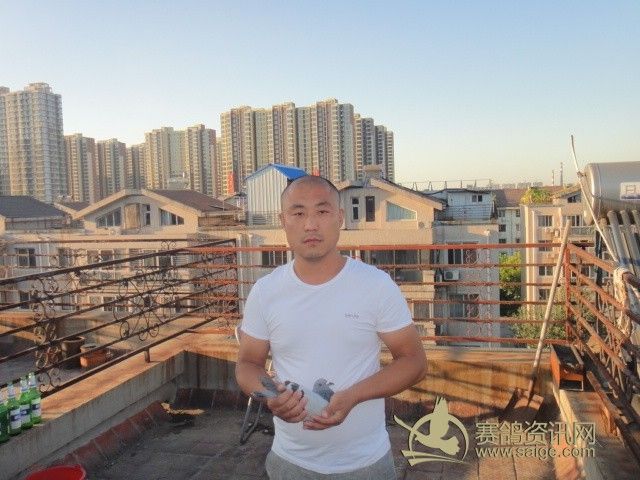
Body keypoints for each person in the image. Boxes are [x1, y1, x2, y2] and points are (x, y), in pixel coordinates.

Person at [235, 175, 427, 479]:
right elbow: (248, 363)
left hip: (366, 465)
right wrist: (270, 396)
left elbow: (414, 362)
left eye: (322, 211)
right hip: (289, 463)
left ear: (340, 218)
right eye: (299, 213)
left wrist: (353, 396)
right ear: (283, 221)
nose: (311, 224)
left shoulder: (375, 285)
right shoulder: (266, 291)